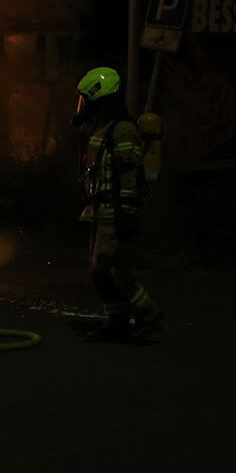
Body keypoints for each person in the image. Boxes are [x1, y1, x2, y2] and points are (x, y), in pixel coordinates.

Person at [73, 67, 162, 342]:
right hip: (101, 212)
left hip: (115, 213)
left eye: (87, 99)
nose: (83, 105)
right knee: (99, 269)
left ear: (101, 97)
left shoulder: (123, 130)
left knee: (113, 268)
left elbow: (128, 175)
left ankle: (148, 314)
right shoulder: (105, 129)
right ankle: (117, 321)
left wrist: (127, 214)